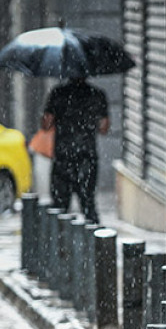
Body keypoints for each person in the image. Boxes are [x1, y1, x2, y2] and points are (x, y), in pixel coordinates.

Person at [41, 77, 109, 223]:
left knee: (59, 208)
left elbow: (46, 124)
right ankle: (94, 242)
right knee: (88, 204)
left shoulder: (58, 93)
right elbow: (104, 128)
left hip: (63, 156)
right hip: (87, 156)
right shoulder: (97, 94)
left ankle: (58, 243)